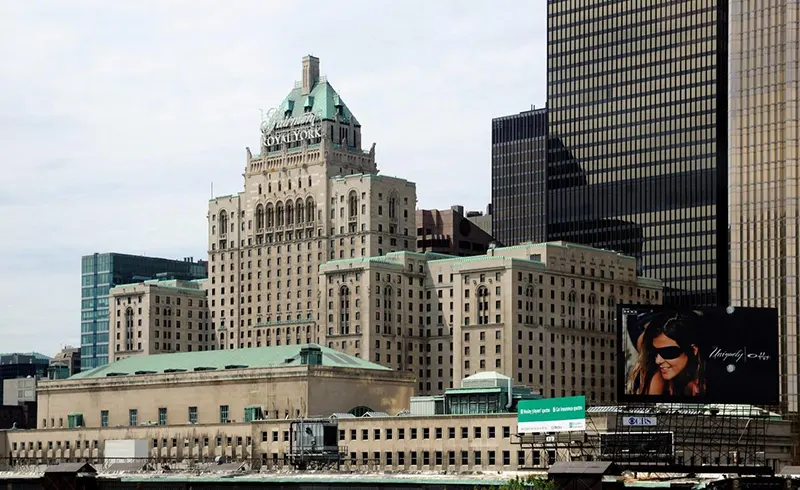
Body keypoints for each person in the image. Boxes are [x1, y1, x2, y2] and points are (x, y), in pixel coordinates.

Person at [628, 310, 706, 397]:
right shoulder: (654, 371)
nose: (658, 360)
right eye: (655, 351)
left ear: (694, 350)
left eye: (668, 352)